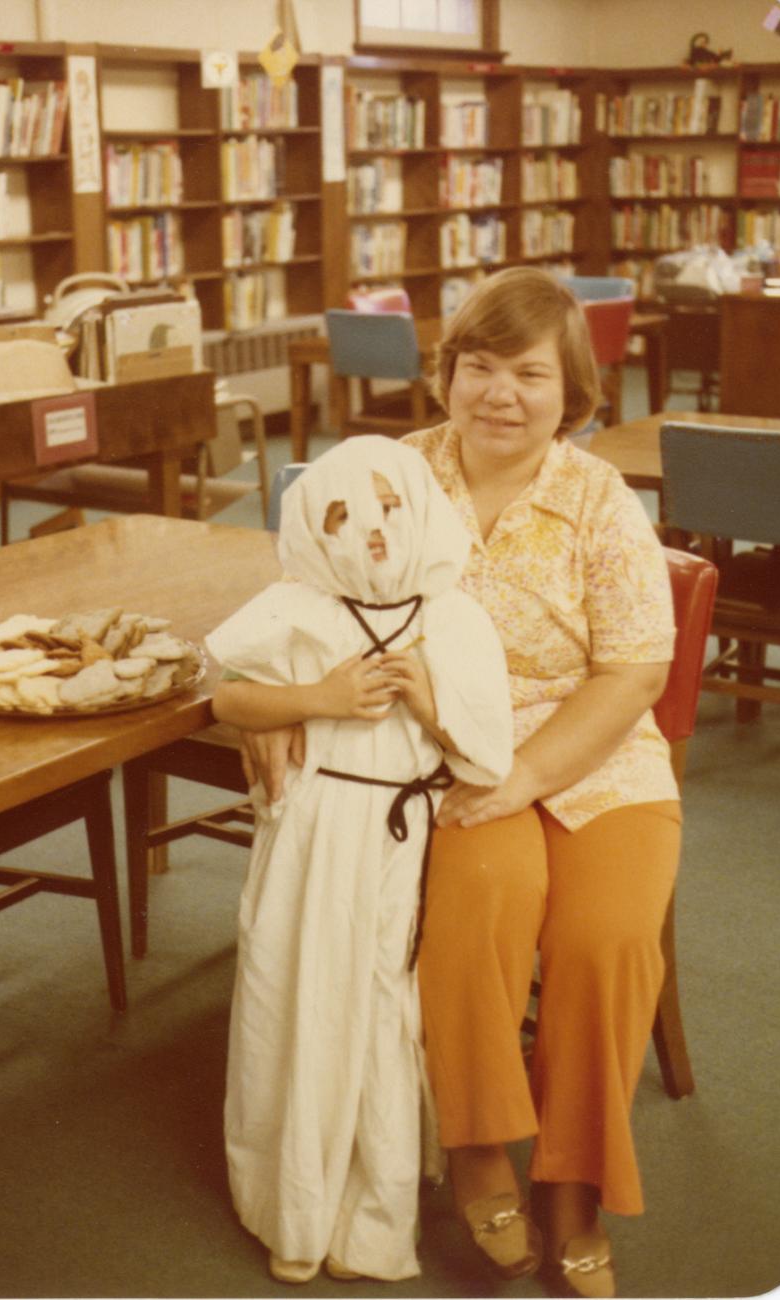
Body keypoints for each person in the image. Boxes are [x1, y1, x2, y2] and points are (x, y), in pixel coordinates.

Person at [239, 268, 681, 1300]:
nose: (498, 394)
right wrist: (282, 700)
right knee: (480, 904)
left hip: (597, 759)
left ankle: (572, 1185)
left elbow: (633, 673)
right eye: (477, 367)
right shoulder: (392, 470)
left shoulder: (598, 501)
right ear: (444, 374)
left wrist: (529, 771)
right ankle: (480, 1147)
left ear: (570, 392)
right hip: (443, 756)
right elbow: (305, 591)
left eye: (527, 374)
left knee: (605, 941)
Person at [205, 436, 514, 1285]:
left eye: (388, 507)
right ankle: (293, 1210)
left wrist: (429, 699)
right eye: (341, 515)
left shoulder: (452, 616)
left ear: (422, 513)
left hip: (399, 838)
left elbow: (487, 750)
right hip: (314, 835)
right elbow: (228, 694)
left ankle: (373, 1218)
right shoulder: (300, 605)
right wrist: (317, 699)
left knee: (383, 1009)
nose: (370, 529)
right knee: (301, 997)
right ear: (312, 529)